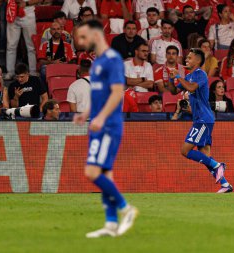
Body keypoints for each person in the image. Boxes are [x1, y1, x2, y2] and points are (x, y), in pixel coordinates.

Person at [74, 19, 138, 238]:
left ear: (95, 35)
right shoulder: (98, 62)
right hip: (98, 122)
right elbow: (98, 93)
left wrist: (100, 117)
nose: (81, 42)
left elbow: (118, 92)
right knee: (105, 175)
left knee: (92, 171)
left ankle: (126, 208)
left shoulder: (112, 59)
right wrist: (86, 113)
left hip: (108, 125)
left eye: (84, 37)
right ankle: (111, 224)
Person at [166, 48, 233, 193]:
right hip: (202, 119)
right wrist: (172, 78)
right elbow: (172, 91)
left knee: (185, 150)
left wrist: (178, 76)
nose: (186, 60)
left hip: (203, 119)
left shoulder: (200, 74)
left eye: (189, 58)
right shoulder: (189, 76)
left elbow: (191, 88)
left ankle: (217, 165)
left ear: (197, 60)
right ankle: (225, 184)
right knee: (205, 155)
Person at [5, 0, 40, 80]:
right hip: (13, 10)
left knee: (31, 46)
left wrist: (26, 3)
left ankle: (33, 71)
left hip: (28, 12)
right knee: (11, 45)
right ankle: (10, 72)